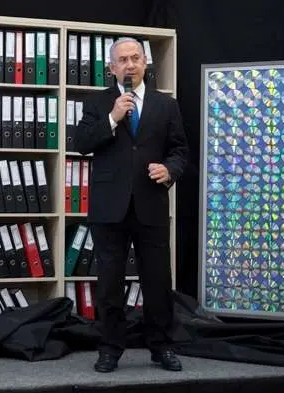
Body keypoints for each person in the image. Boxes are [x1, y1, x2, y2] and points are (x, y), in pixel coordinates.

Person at [75, 37, 189, 373]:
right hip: (109, 206)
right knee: (109, 283)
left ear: (145, 63)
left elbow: (180, 150)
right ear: (112, 68)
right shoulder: (97, 103)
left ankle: (162, 346)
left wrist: (170, 170)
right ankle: (110, 348)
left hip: (151, 203)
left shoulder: (166, 105)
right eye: (123, 60)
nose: (130, 65)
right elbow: (81, 143)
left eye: (135, 58)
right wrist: (112, 118)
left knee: (157, 280)